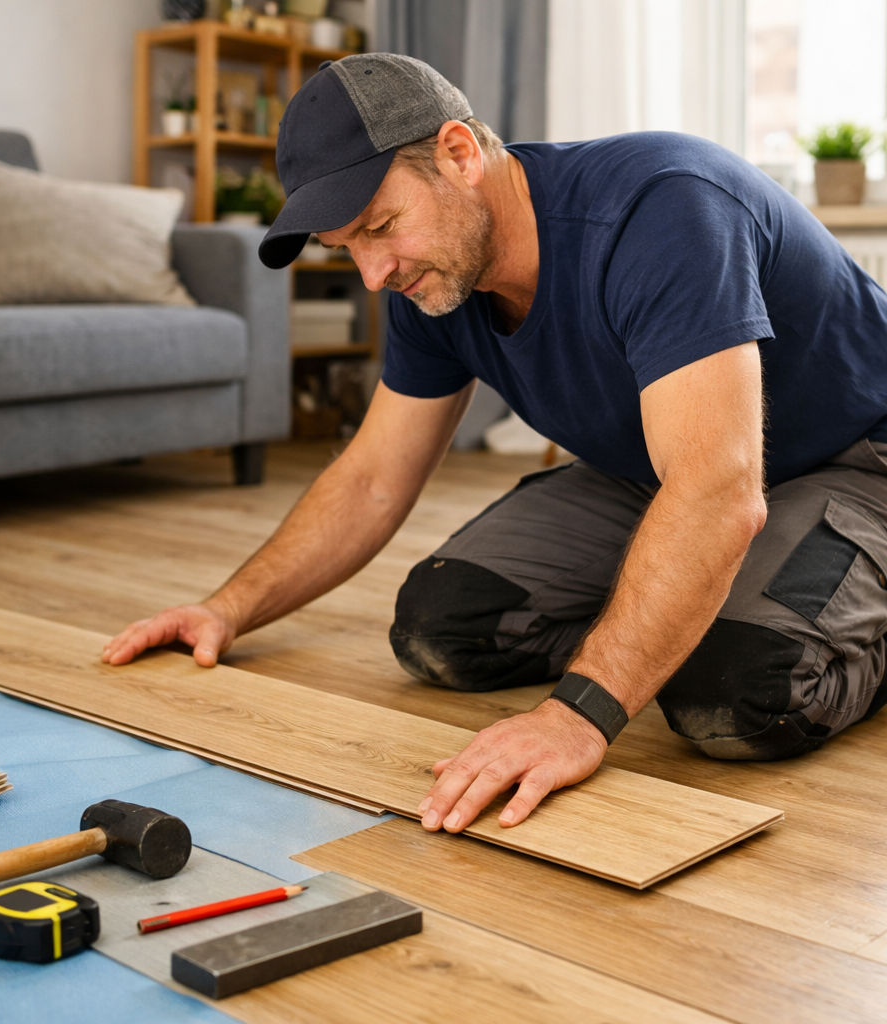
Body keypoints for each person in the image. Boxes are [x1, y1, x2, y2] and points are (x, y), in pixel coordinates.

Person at [103, 53, 887, 836]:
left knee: (740, 693)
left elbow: (716, 489)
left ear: (458, 153)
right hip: (653, 469)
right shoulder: (429, 280)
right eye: (347, 248)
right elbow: (373, 477)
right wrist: (226, 609)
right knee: (445, 626)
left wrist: (576, 715)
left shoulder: (663, 209)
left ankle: (790, 618)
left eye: (380, 227)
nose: (374, 274)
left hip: (855, 459)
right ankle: (701, 604)